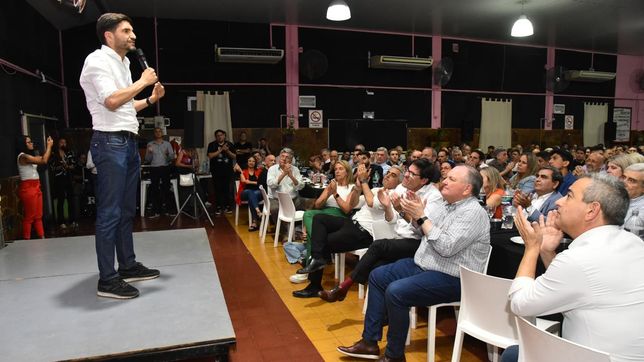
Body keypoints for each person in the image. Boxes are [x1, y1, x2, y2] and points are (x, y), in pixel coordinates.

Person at [337, 165, 490, 361]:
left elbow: (446, 247)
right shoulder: (447, 205)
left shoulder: (472, 213)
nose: (444, 181)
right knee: (377, 276)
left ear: (467, 189)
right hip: (425, 265)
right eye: (447, 177)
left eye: (452, 179)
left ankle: (394, 355)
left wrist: (421, 216)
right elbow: (421, 232)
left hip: (454, 278)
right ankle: (369, 342)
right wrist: (405, 211)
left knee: (396, 291)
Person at [502, 174, 644, 362]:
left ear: (592, 211)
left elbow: (520, 304)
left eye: (569, 196)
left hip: (594, 357)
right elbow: (575, 287)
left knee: (513, 354)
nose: (559, 201)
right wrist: (546, 251)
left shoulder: (579, 259)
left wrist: (532, 248)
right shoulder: (633, 241)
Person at [79, 13, 163, 299]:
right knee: (110, 213)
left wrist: (150, 99)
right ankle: (107, 279)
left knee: (127, 210)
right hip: (109, 142)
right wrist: (143, 81)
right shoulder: (97, 61)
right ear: (108, 35)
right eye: (126, 31)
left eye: (133, 31)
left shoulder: (123, 63)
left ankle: (127, 266)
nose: (133, 36)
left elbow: (126, 106)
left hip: (127, 141)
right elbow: (112, 101)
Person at [318, 158, 441, 303]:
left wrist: (403, 211)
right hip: (396, 236)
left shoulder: (433, 197)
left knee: (378, 246)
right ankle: (381, 312)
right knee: (376, 269)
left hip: (417, 243)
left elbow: (424, 232)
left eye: (412, 174)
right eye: (408, 171)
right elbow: (392, 220)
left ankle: (343, 287)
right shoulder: (402, 188)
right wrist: (390, 208)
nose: (406, 175)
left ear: (424, 180)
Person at [16, 135, 53, 240]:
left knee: (38, 215)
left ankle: (42, 237)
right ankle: (27, 240)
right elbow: (43, 160)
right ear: (22, 144)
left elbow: (42, 159)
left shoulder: (28, 155)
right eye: (28, 142)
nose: (31, 143)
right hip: (28, 188)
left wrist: (47, 148)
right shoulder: (23, 156)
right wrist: (49, 146)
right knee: (30, 216)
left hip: (36, 186)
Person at [144, 127, 175, 217]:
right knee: (154, 189)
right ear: (154, 134)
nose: (158, 133)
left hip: (165, 168)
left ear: (162, 133)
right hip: (154, 168)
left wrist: (167, 155)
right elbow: (147, 159)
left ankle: (169, 210)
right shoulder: (150, 144)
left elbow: (172, 158)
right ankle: (156, 211)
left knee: (166, 188)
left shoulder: (167, 144)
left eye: (159, 131)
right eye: (156, 132)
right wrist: (149, 153)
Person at [50, 136, 78, 229]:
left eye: (65, 142)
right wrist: (60, 167)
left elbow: (73, 165)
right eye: (61, 142)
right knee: (61, 199)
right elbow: (52, 167)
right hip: (59, 178)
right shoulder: (54, 153)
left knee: (71, 199)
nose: (63, 144)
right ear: (58, 143)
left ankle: (73, 220)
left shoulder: (69, 153)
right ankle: (61, 222)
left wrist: (67, 166)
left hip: (68, 178)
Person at [207, 129, 236, 215]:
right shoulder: (212, 145)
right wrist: (220, 150)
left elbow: (234, 156)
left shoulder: (230, 144)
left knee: (227, 189)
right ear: (216, 137)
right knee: (217, 189)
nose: (220, 137)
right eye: (218, 135)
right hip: (216, 171)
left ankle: (228, 206)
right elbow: (210, 156)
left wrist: (227, 150)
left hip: (228, 171)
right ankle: (219, 207)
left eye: (221, 135)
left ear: (224, 136)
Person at [235, 156, 264, 231]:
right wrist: (240, 171)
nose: (251, 162)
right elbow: (244, 181)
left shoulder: (259, 171)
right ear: (247, 162)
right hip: (245, 192)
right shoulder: (243, 171)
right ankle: (258, 212)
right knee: (250, 192)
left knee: (252, 196)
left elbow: (261, 183)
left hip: (257, 192)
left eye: (253, 161)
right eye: (249, 161)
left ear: (255, 163)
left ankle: (254, 222)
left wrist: (250, 182)